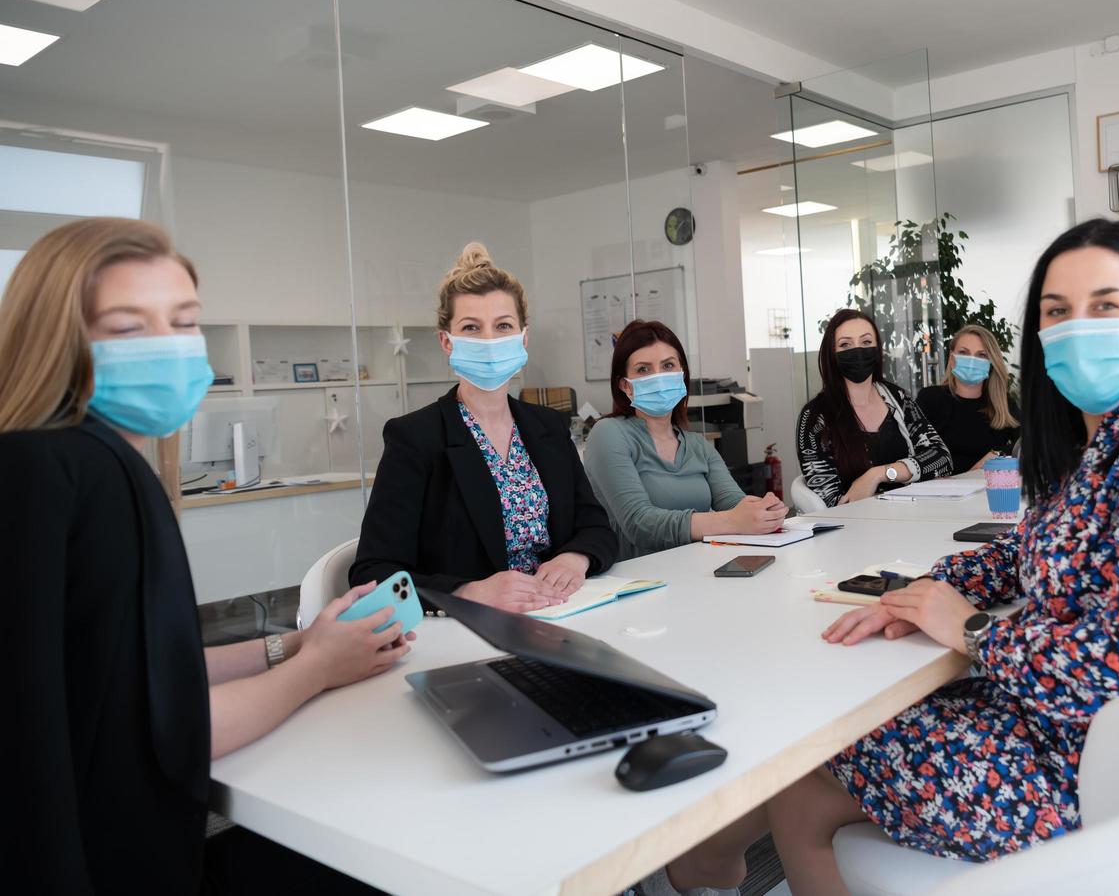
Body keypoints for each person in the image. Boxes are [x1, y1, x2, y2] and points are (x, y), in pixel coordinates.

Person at [654, 219, 1119, 892]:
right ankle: (708, 859)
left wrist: (971, 628)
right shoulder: (1109, 449)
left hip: (1083, 766)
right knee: (812, 770)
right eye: (1057, 312)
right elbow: (1024, 556)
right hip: (1082, 731)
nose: (1077, 327)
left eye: (1107, 305)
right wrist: (919, 593)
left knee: (818, 734)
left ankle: (700, 859)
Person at [2, 218, 411, 892]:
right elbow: (163, 731)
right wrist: (316, 672)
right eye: (128, 328)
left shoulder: (58, 462)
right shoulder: (86, 471)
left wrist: (295, 646)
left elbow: (130, 671)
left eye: (184, 321)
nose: (167, 346)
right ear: (57, 339)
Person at [350, 243, 616, 613]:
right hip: (470, 630)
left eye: (503, 326)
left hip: (562, 615)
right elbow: (372, 574)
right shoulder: (415, 438)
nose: (490, 340)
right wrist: (466, 592)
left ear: (523, 337)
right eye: (471, 328)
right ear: (447, 341)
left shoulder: (548, 427)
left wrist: (576, 557)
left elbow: (597, 527)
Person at [583, 319, 785, 560]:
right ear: (625, 386)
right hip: (636, 581)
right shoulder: (608, 433)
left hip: (696, 572)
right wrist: (731, 520)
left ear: (682, 374)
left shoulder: (698, 445)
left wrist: (763, 511)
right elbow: (640, 524)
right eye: (643, 369)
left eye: (668, 365)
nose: (658, 377)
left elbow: (734, 504)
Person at [796, 308, 953, 507]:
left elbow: (942, 458)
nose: (858, 350)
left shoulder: (898, 399)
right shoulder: (815, 417)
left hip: (913, 518)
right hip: (857, 530)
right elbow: (831, 504)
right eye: (845, 344)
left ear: (878, 349)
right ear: (831, 354)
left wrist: (879, 474)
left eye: (866, 342)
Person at [916, 324, 1020, 472]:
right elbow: (913, 450)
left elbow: (1028, 443)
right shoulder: (930, 399)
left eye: (981, 355)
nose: (972, 360)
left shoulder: (1003, 404)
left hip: (986, 490)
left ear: (991, 363)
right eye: (964, 353)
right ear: (952, 360)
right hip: (939, 491)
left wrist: (997, 453)